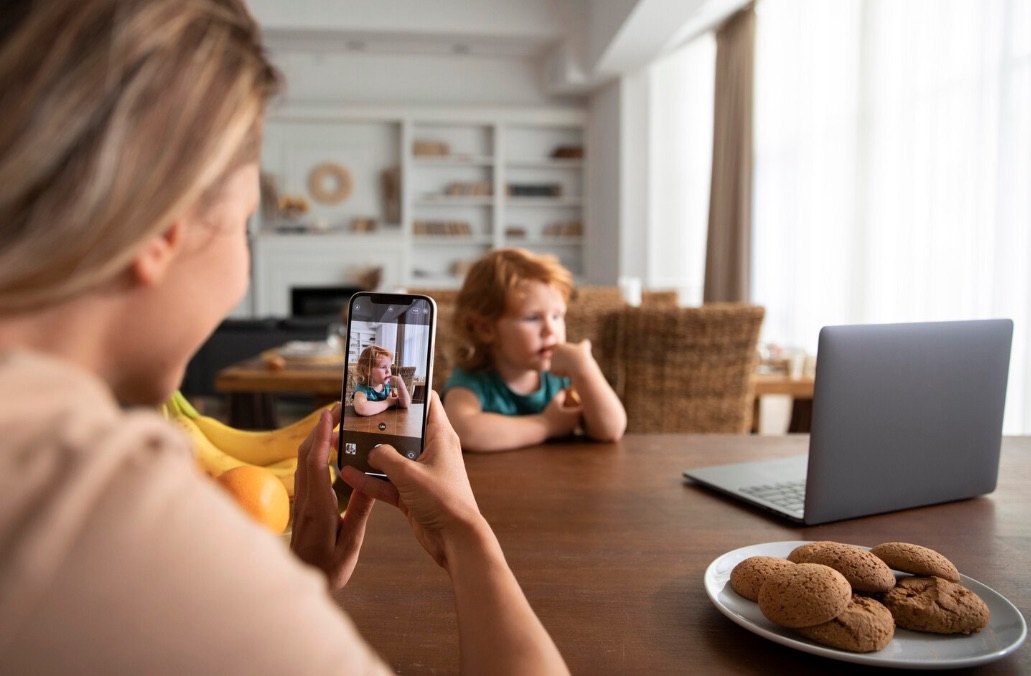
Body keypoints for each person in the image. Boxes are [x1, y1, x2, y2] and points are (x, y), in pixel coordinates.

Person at [0, 1, 568, 674]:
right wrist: (467, 535)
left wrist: (297, 597)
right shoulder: (107, 504)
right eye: (244, 225)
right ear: (159, 231)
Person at [444, 248, 627, 452]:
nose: (550, 329)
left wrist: (585, 369)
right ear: (485, 329)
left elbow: (610, 430)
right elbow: (463, 431)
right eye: (532, 318)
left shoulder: (563, 376)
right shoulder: (473, 379)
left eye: (556, 316)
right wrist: (546, 425)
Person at [351, 344, 411, 415]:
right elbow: (362, 409)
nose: (388, 371)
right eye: (383, 367)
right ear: (367, 371)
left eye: (389, 367)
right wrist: (387, 402)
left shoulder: (389, 387)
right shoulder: (362, 389)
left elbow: (404, 404)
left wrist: (400, 384)